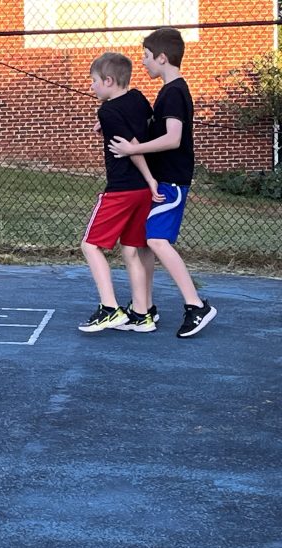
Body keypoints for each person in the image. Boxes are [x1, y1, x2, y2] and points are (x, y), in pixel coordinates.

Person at [109, 27, 217, 338]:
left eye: (146, 56)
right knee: (146, 242)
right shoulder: (168, 91)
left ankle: (196, 305)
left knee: (157, 241)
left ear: (162, 57)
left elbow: (173, 138)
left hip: (173, 181)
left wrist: (133, 149)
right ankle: (144, 308)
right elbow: (152, 127)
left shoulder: (174, 92)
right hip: (162, 180)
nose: (142, 62)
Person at [78, 52, 161, 333]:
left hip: (122, 189)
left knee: (90, 245)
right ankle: (142, 313)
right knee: (132, 249)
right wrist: (107, 123)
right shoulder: (137, 98)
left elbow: (133, 145)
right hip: (141, 193)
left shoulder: (108, 111)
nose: (91, 86)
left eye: (94, 81)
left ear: (109, 80)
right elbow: (141, 124)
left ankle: (110, 308)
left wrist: (150, 177)